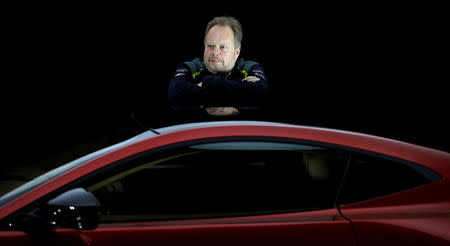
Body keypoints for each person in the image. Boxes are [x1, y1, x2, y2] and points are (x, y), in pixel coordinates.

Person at [168, 16, 269, 119]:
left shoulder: (249, 67)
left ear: (236, 51)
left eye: (223, 47)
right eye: (210, 46)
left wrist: (204, 84)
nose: (215, 52)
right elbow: (174, 94)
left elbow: (261, 93)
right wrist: (239, 90)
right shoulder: (191, 67)